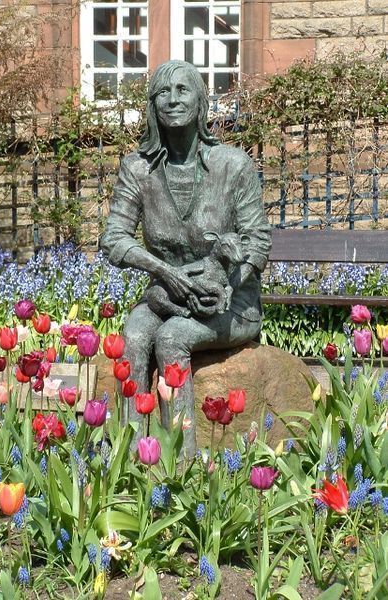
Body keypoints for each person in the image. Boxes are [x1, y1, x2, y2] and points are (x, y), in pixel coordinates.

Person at [101, 60, 272, 456]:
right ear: (151, 106)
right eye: (163, 92)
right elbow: (113, 239)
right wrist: (164, 271)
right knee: (135, 335)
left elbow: (258, 242)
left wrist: (229, 288)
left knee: (172, 336)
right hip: (166, 296)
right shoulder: (137, 169)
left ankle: (184, 466)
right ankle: (132, 460)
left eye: (183, 90)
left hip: (228, 301)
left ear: (201, 103)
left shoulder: (234, 166)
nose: (173, 100)